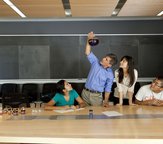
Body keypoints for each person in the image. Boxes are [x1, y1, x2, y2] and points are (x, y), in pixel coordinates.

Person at [81, 31, 117, 107]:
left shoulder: (110, 75)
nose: (103, 59)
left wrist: (106, 101)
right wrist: (89, 40)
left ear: (109, 65)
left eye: (106, 60)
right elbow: (87, 52)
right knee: (83, 115)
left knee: (96, 117)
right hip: (85, 93)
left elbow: (108, 89)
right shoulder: (95, 62)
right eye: (105, 57)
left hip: (96, 97)